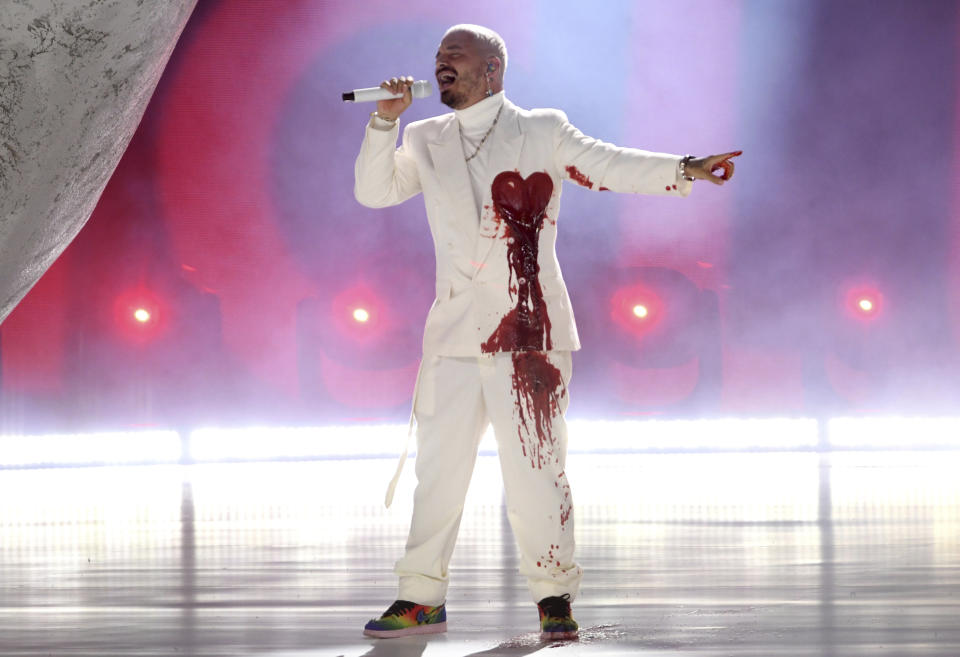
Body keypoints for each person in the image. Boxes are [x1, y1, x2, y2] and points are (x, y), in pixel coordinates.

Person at [353, 24, 740, 641]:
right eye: (438, 56)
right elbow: (374, 192)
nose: (442, 62)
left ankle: (554, 595)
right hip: (453, 335)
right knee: (438, 473)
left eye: (457, 55)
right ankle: (420, 596)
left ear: (493, 70)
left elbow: (608, 163)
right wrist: (383, 124)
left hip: (529, 332)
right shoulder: (425, 136)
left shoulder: (540, 130)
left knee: (537, 470)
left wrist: (685, 168)